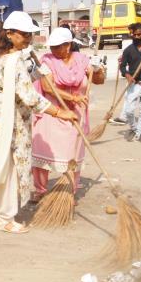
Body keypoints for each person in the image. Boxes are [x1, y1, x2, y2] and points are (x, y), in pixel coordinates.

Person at [0, 12, 77, 234]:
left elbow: (16, 84)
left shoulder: (2, 56)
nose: (28, 39)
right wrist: (59, 112)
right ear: (10, 34)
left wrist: (37, 74)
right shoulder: (11, 60)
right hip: (2, 125)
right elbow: (28, 96)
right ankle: (5, 219)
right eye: (24, 35)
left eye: (30, 35)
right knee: (6, 169)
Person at [31, 27, 105, 200]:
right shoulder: (46, 61)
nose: (54, 50)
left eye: (58, 46)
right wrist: (73, 96)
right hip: (53, 113)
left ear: (68, 45)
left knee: (73, 154)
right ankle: (40, 189)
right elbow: (48, 88)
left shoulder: (82, 60)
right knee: (44, 152)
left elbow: (98, 81)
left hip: (75, 115)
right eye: (52, 47)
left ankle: (69, 192)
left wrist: (97, 68)